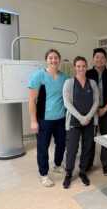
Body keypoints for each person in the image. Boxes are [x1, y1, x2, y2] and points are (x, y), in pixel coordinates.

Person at [28, 49, 69, 187]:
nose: (53, 60)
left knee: (62, 144)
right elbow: (32, 101)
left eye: (56, 58)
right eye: (50, 58)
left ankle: (57, 165)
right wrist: (33, 121)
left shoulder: (65, 77)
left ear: (60, 59)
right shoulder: (38, 77)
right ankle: (44, 174)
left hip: (61, 118)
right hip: (44, 119)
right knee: (43, 148)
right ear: (46, 60)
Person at [62, 56, 99, 189]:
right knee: (72, 149)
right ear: (74, 67)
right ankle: (68, 173)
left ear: (86, 67)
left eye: (83, 66)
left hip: (89, 121)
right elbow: (67, 103)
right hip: (73, 120)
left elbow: (96, 101)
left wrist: (88, 117)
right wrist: (81, 118)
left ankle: (83, 172)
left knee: (87, 147)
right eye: (78, 66)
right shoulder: (69, 83)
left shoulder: (92, 83)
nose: (81, 68)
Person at [86, 48, 107, 176]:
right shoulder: (87, 74)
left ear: (106, 60)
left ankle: (105, 163)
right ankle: (88, 162)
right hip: (90, 112)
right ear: (93, 59)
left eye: (102, 57)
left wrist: (104, 109)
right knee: (90, 138)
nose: (99, 59)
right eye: (97, 57)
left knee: (106, 138)